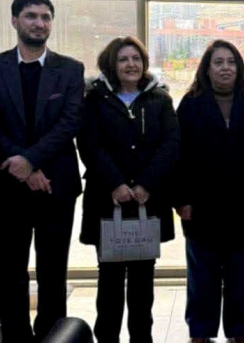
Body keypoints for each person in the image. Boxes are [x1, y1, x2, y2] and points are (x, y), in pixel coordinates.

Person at [0, 0, 85, 342]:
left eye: (45, 17)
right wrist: (21, 165)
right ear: (14, 21)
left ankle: (52, 336)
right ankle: (15, 337)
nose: (39, 23)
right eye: (31, 16)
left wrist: (31, 160)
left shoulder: (71, 69)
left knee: (53, 272)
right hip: (6, 187)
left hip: (56, 186)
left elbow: (70, 123)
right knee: (8, 271)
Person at [77, 36, 180, 343]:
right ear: (112, 64)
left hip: (148, 200)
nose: (131, 64)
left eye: (136, 59)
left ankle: (141, 338)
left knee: (142, 282)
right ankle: (107, 337)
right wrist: (116, 183)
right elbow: (89, 145)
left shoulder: (160, 99)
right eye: (123, 59)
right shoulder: (95, 99)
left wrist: (147, 183)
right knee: (109, 279)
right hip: (107, 200)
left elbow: (171, 144)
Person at [175, 40, 244, 343]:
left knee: (239, 277)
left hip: (243, 208)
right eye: (218, 62)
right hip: (201, 208)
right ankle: (200, 333)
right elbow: (178, 156)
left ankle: (239, 332)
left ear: (239, 68)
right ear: (207, 68)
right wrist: (181, 200)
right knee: (202, 278)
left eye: (231, 62)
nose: (225, 68)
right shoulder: (190, 103)